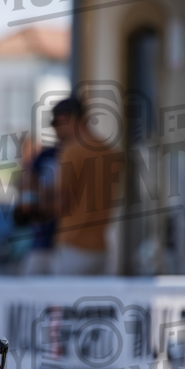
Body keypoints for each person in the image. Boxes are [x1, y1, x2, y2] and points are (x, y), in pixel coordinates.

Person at [49, 96, 119, 275]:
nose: (55, 130)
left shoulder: (72, 150)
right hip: (101, 248)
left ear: (69, 118)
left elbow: (62, 204)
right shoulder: (109, 152)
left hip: (74, 245)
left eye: (56, 123)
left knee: (64, 302)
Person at [14, 136, 58, 275]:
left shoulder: (43, 167)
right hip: (35, 244)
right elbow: (21, 217)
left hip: (49, 244)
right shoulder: (27, 177)